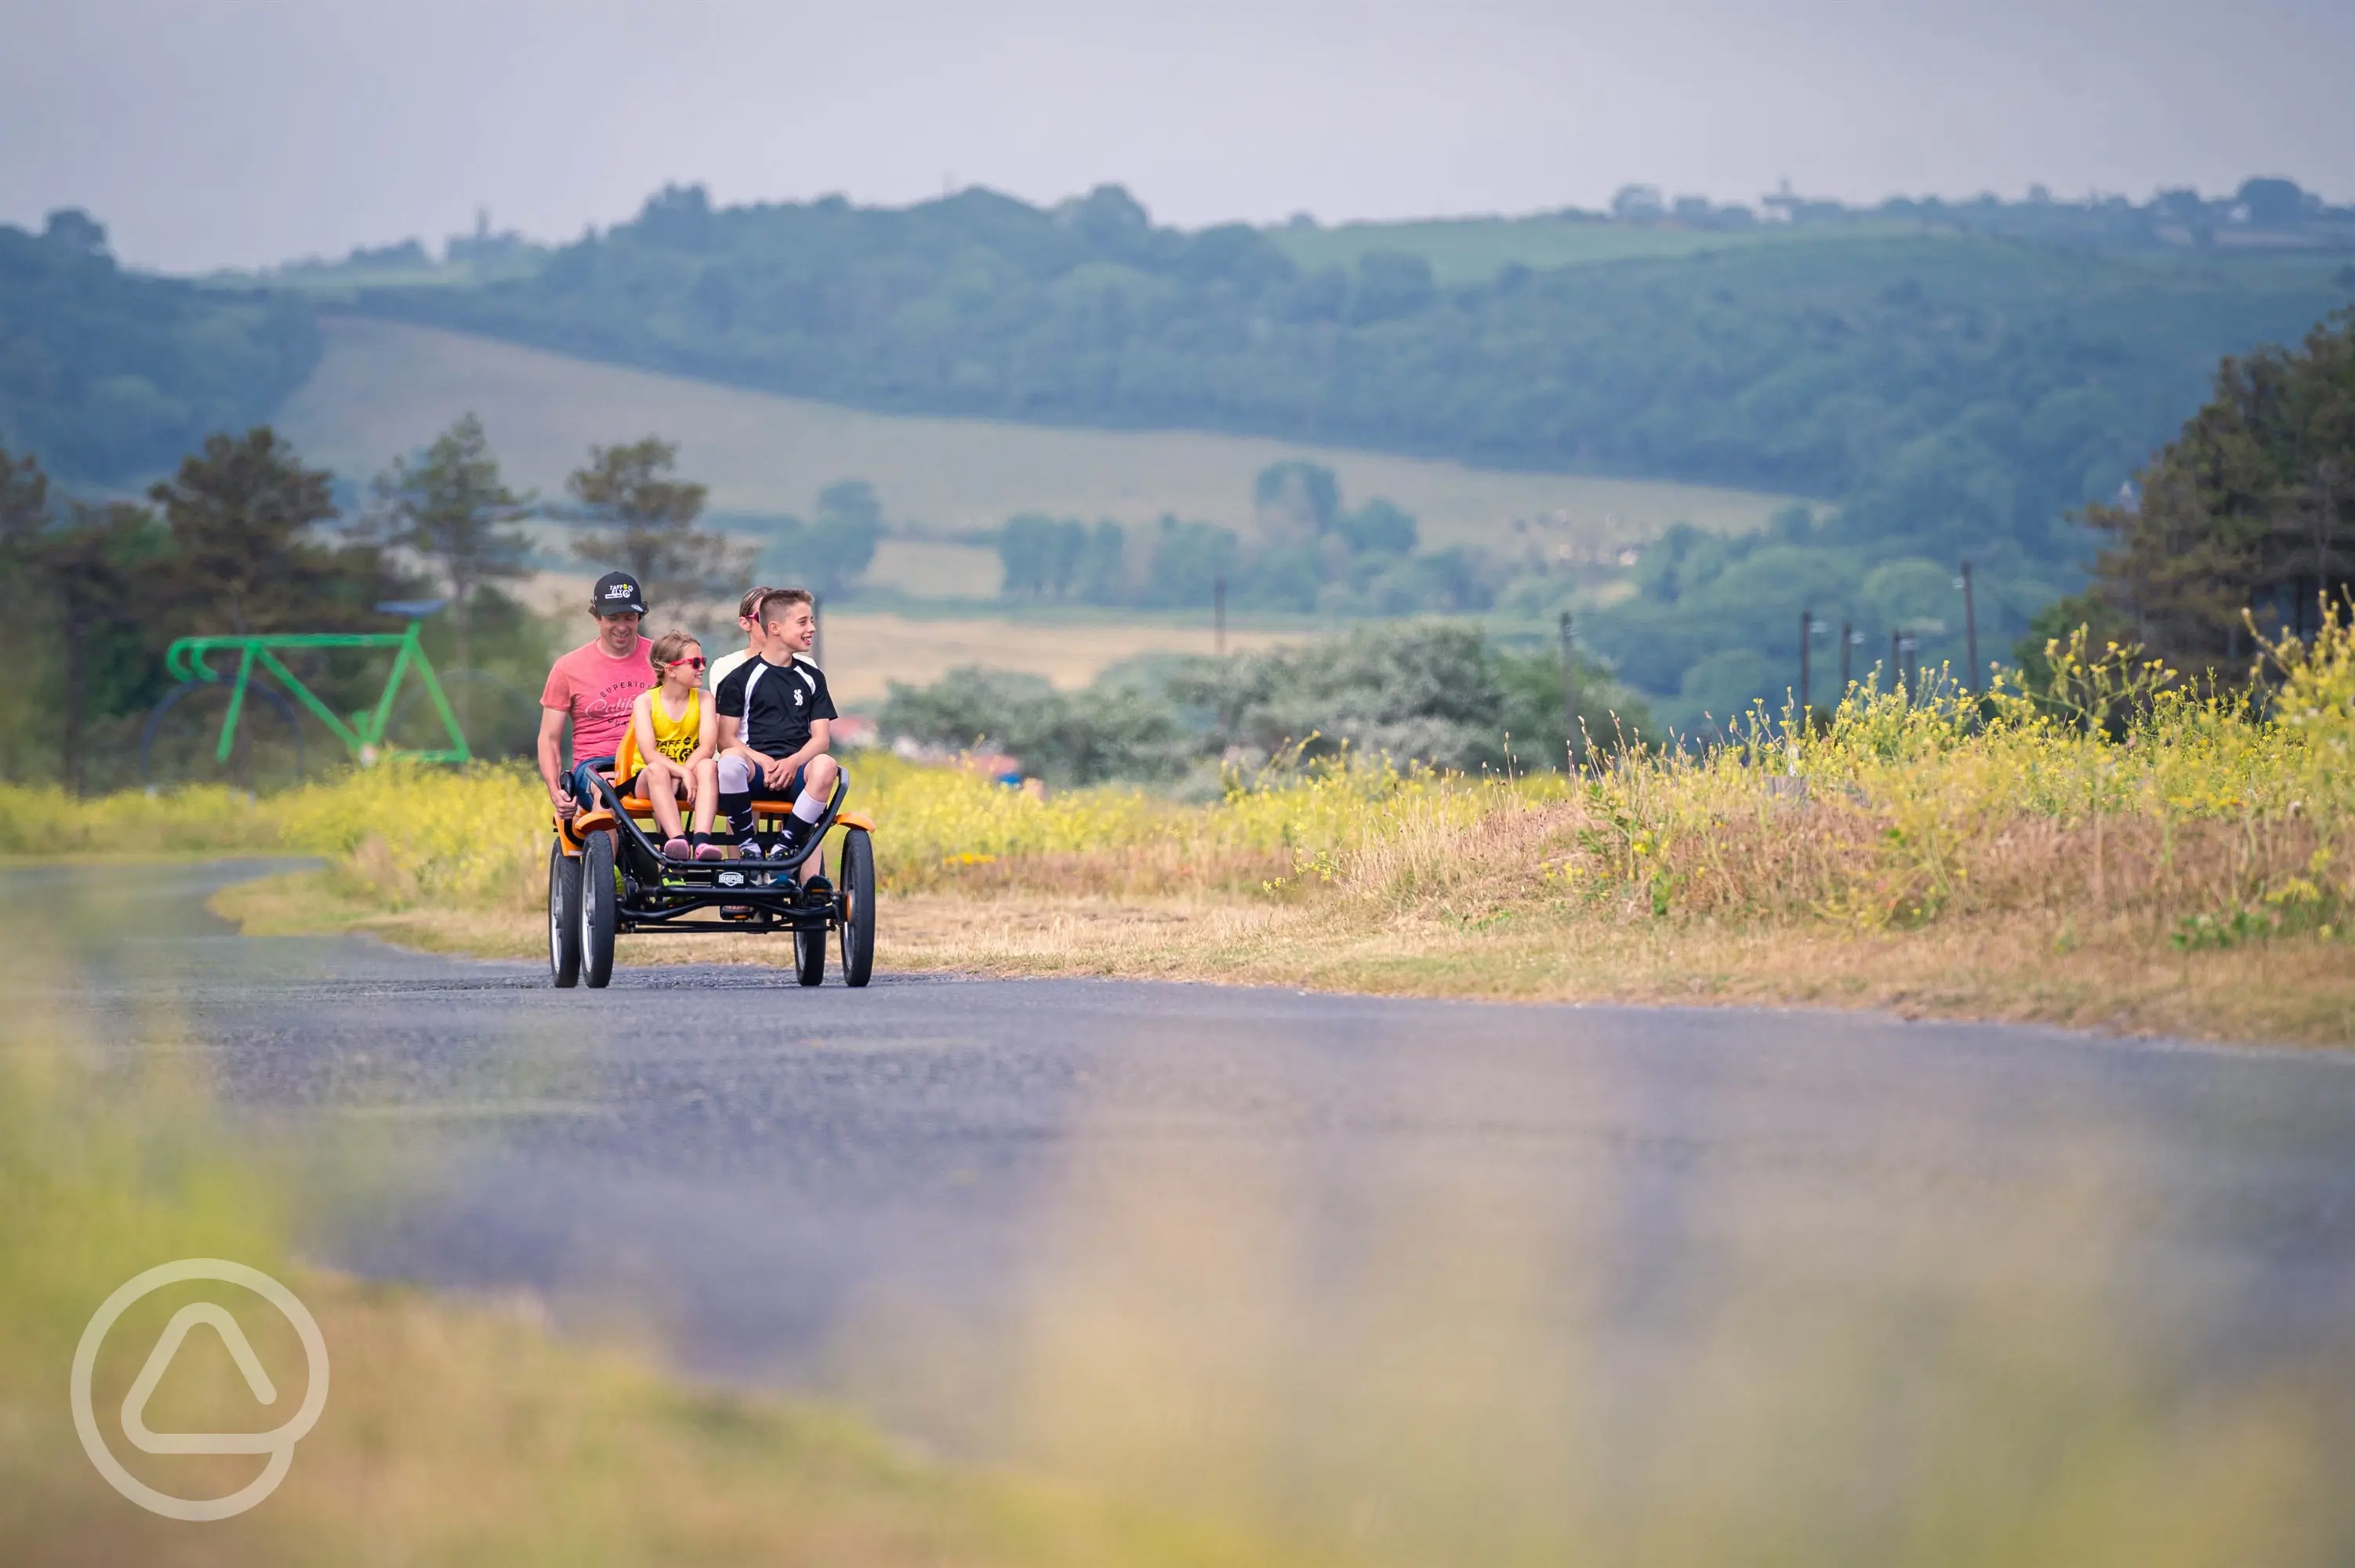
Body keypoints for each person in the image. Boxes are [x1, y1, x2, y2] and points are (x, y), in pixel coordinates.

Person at [713, 587, 839, 871]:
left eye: (812, 622)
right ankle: (747, 847)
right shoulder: (739, 678)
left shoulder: (812, 677)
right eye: (803, 622)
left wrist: (792, 763)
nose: (812, 629)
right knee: (730, 763)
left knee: (827, 765)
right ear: (775, 628)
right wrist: (763, 760)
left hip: (797, 772)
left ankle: (786, 847)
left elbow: (821, 739)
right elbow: (725, 738)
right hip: (757, 771)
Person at [537, 571, 655, 821]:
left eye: (630, 618)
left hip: (651, 759)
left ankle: (674, 852)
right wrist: (555, 791)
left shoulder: (661, 658)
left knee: (666, 782)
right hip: (596, 767)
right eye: (613, 618)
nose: (622, 627)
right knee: (607, 793)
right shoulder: (568, 667)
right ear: (597, 617)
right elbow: (549, 738)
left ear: (639, 617)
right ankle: (603, 855)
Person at [615, 630, 724, 860]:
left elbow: (706, 746)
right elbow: (649, 754)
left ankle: (702, 840)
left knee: (708, 766)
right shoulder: (646, 702)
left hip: (690, 777)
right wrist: (682, 771)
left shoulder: (704, 699)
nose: (702, 668)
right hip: (650, 779)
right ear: (671, 670)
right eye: (695, 663)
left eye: (702, 661)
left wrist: (687, 773)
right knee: (658, 770)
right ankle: (678, 841)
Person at [706, 585, 771, 695]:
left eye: (779, 617)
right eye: (762, 617)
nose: (772, 624)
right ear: (745, 623)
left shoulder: (806, 667)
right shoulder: (726, 667)